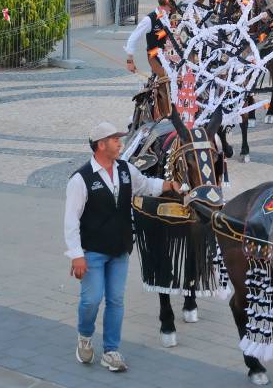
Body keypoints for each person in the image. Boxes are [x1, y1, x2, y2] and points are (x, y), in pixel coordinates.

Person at [65, 121, 182, 372]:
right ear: (101, 145)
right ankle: (85, 336)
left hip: (120, 249)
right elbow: (71, 220)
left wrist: (168, 185)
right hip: (92, 251)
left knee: (116, 300)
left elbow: (146, 185)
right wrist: (76, 256)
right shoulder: (81, 179)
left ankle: (111, 351)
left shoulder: (126, 170)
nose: (120, 143)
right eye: (115, 139)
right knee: (91, 300)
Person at [125, 0, 178, 119]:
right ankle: (167, 112)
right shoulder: (149, 19)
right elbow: (133, 38)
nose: (173, 7)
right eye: (172, 4)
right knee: (165, 79)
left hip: (168, 55)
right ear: (167, 3)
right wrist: (130, 60)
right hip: (154, 55)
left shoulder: (169, 16)